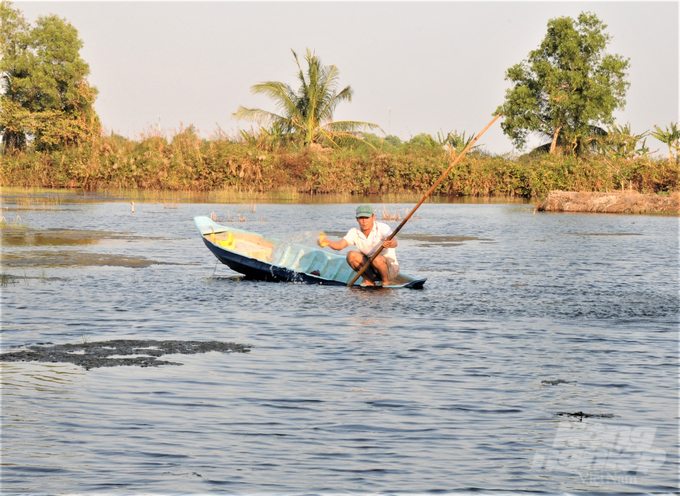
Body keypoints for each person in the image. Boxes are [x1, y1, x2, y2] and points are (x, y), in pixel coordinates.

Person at [318, 205, 399, 286]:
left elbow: (394, 241)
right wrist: (329, 242)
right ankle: (368, 281)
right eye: (361, 218)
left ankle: (385, 282)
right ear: (357, 219)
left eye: (367, 218)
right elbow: (340, 245)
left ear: (373, 217)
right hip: (371, 267)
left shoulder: (382, 227)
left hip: (390, 269)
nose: (364, 221)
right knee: (351, 255)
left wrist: (390, 243)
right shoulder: (354, 231)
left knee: (376, 259)